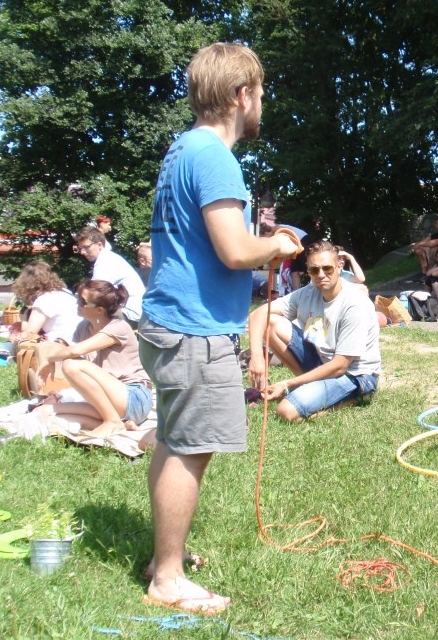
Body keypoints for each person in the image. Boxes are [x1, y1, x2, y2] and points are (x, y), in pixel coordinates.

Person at [138, 41, 301, 615]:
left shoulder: (182, 149)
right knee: (191, 449)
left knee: (173, 440)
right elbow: (235, 251)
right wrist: (277, 245)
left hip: (168, 323)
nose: (263, 104)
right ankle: (169, 580)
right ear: (241, 95)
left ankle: (166, 557)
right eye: (260, 93)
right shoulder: (214, 157)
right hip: (192, 330)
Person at [247, 240, 381, 422]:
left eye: (327, 268)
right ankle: (309, 390)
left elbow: (341, 365)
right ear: (308, 270)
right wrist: (256, 357)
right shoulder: (309, 292)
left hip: (354, 374)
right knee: (272, 322)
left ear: (340, 266)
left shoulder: (354, 304)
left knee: (286, 412)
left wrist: (287, 384)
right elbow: (259, 315)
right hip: (323, 362)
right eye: (314, 270)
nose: (321, 275)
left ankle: (355, 399)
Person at [31, 280, 153, 438]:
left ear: (99, 310)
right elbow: (70, 353)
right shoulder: (84, 327)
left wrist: (49, 360)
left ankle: (112, 421)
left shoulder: (119, 327)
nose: (77, 303)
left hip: (133, 396)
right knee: (45, 412)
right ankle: (121, 425)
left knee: (71, 365)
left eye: (82, 301)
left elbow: (74, 351)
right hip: (108, 401)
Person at [75, 226, 145, 326]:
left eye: (86, 247)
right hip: (132, 312)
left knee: (87, 319)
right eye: (80, 248)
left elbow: (91, 295)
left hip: (130, 314)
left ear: (99, 245)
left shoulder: (105, 261)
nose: (82, 252)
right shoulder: (108, 257)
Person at [9, 260, 82, 343]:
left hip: (61, 345)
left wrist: (16, 334)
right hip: (79, 342)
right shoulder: (65, 292)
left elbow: (29, 335)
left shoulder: (44, 300)